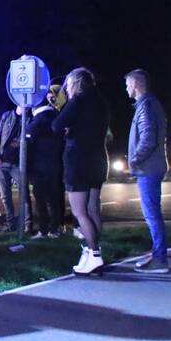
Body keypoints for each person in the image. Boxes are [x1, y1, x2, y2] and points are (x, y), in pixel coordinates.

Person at [52, 67, 109, 275]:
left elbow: (57, 125)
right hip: (98, 159)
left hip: (78, 160)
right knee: (94, 209)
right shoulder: (101, 101)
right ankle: (90, 251)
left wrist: (69, 128)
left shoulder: (78, 101)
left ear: (75, 83)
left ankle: (94, 254)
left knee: (79, 211)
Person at [125, 69, 170, 273]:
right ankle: (157, 253)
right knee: (153, 213)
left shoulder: (146, 106)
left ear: (135, 84)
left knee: (152, 214)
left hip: (149, 168)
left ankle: (160, 259)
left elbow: (148, 139)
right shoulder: (148, 104)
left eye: (127, 84)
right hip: (151, 166)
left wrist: (134, 161)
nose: (126, 88)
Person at [26, 87, 63, 238]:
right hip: (56, 166)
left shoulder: (36, 123)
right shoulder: (57, 118)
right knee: (55, 199)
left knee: (40, 200)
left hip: (39, 169)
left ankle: (44, 230)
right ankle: (55, 228)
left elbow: (27, 146)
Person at [0, 104, 33, 231]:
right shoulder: (7, 116)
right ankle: (10, 224)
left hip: (18, 164)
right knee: (5, 196)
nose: (26, 108)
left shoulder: (29, 119)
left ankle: (28, 224)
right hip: (2, 163)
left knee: (24, 194)